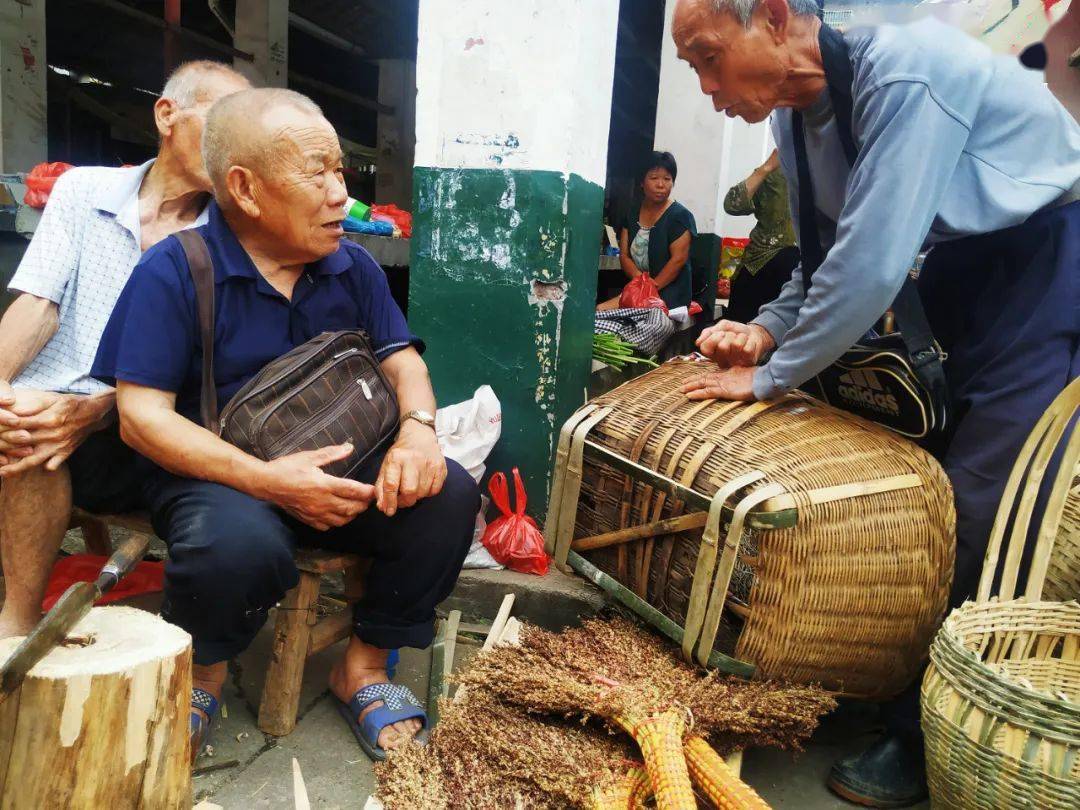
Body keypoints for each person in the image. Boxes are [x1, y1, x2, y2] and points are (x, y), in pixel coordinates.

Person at [671, 0, 1080, 806]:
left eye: (710, 58)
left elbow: (871, 265)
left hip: (1044, 260)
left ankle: (919, 734)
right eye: (694, 70)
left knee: (976, 502)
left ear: (776, 17)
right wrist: (762, 332)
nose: (709, 89)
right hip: (959, 271)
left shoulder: (910, 72)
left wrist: (769, 377)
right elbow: (821, 260)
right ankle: (881, 680)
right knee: (911, 465)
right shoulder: (793, 122)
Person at [91, 88, 480, 762]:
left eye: (341, 173)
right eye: (317, 174)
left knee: (448, 497)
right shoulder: (176, 271)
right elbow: (140, 418)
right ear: (244, 188)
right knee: (232, 545)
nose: (341, 196)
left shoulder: (350, 265)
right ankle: (204, 674)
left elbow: (402, 363)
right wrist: (268, 481)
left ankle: (362, 664)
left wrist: (418, 432)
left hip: (343, 469)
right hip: (221, 472)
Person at [0, 60, 250, 640]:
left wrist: (97, 409)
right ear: (167, 114)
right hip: (50, 411)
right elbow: (40, 302)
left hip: (145, 429)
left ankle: (16, 622)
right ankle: (20, 615)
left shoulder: (229, 236)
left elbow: (200, 369)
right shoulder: (83, 190)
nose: (236, 145)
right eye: (222, 123)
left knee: (34, 432)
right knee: (22, 415)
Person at [599, 151, 697, 311]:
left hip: (670, 297)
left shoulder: (680, 216)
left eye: (667, 179)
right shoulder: (631, 214)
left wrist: (650, 287)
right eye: (654, 178)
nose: (661, 185)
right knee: (599, 311)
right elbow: (624, 255)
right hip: (639, 291)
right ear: (642, 182)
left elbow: (678, 260)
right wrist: (640, 282)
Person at [721, 148, 798, 324]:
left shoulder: (827, 174)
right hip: (760, 263)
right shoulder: (774, 172)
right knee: (739, 334)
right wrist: (767, 167)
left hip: (803, 267)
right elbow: (732, 205)